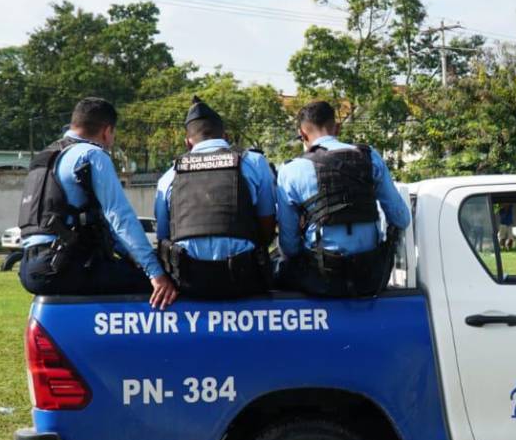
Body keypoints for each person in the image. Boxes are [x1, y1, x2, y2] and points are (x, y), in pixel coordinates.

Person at [18, 97, 177, 309]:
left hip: (30, 266)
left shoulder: (46, 157)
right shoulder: (92, 154)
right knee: (165, 285)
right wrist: (155, 273)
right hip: (65, 266)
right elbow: (120, 218)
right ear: (107, 130)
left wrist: (131, 256)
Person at [275, 100, 411, 296]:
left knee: (278, 271)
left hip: (321, 281)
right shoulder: (369, 156)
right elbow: (401, 218)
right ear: (337, 128)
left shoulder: (291, 170)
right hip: (370, 277)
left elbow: (289, 246)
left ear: (303, 134)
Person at [153, 97, 277, 298]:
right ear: (225, 136)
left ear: (188, 142)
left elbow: (163, 236)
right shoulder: (254, 162)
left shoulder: (169, 177)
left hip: (189, 283)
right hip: (244, 280)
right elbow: (267, 222)